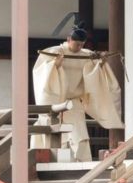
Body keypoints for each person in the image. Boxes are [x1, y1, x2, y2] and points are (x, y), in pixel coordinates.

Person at [31, 24, 123, 161]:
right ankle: (49, 160)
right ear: (68, 40)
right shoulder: (54, 51)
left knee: (79, 133)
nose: (79, 47)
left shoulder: (86, 55)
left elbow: (93, 70)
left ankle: (80, 160)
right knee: (52, 132)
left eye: (81, 45)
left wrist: (100, 62)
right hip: (55, 101)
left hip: (74, 102)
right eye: (76, 44)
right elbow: (40, 73)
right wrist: (54, 65)